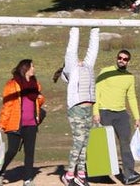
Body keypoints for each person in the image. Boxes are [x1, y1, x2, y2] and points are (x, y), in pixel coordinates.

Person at [95, 49, 140, 185]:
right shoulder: (105, 71)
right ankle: (103, 174)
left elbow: (131, 97)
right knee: (104, 144)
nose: (122, 60)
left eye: (125, 59)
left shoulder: (130, 77)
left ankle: (128, 174)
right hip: (105, 112)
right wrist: (95, 112)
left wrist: (137, 117)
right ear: (116, 58)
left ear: (128, 62)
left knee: (125, 143)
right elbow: (96, 92)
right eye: (120, 58)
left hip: (121, 114)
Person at [60, 27, 100, 186]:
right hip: (76, 109)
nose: (81, 60)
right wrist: (75, 27)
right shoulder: (72, 68)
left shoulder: (88, 66)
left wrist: (95, 29)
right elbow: (71, 50)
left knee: (85, 143)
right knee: (79, 142)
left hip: (88, 109)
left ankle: (81, 174)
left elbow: (93, 50)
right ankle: (69, 174)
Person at [0, 58, 45, 186]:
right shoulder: (12, 85)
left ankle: (28, 179)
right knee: (12, 150)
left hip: (31, 124)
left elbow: (37, 102)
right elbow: (7, 106)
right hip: (15, 124)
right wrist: (2, 124)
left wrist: (40, 98)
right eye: (32, 66)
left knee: (29, 152)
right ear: (25, 68)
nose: (34, 69)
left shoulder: (36, 84)